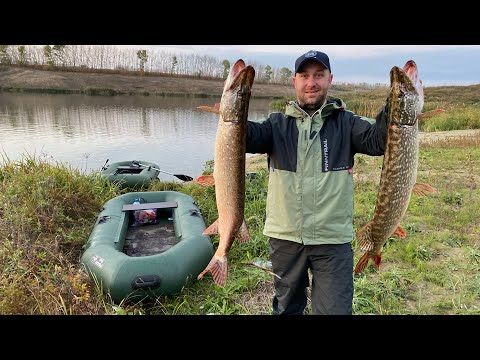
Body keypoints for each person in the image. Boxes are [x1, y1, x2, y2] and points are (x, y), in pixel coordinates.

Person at [245, 50, 389, 315]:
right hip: (285, 238)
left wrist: (397, 103)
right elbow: (245, 136)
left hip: (332, 241)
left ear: (329, 79)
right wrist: (232, 111)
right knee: (287, 309)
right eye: (305, 75)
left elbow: (378, 141)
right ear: (295, 81)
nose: (312, 82)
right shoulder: (277, 125)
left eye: (319, 75)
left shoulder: (347, 123)